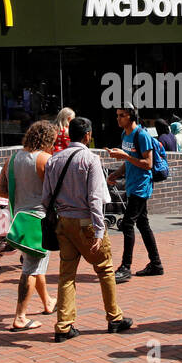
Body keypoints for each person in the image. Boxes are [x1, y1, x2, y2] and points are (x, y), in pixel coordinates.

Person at [44, 116, 132, 340]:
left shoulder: (54, 160)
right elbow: (95, 199)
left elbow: (45, 198)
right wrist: (100, 229)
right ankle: (114, 317)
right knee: (104, 269)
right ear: (87, 135)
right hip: (86, 222)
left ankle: (63, 326)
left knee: (66, 275)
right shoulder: (90, 159)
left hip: (63, 221)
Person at [0, 120, 58, 330]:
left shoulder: (12, 159)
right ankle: (20, 316)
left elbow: (1, 191)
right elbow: (56, 193)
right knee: (30, 268)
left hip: (19, 219)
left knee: (34, 262)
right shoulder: (45, 160)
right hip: (39, 222)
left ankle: (48, 301)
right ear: (48, 140)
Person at [107, 106, 163, 283]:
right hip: (132, 185)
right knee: (143, 224)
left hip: (141, 186)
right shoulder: (125, 135)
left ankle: (125, 267)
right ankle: (156, 264)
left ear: (131, 117)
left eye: (122, 116)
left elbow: (147, 163)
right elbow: (128, 161)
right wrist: (117, 173)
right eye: (117, 116)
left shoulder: (142, 135)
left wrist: (125, 156)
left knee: (128, 223)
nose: (118, 119)